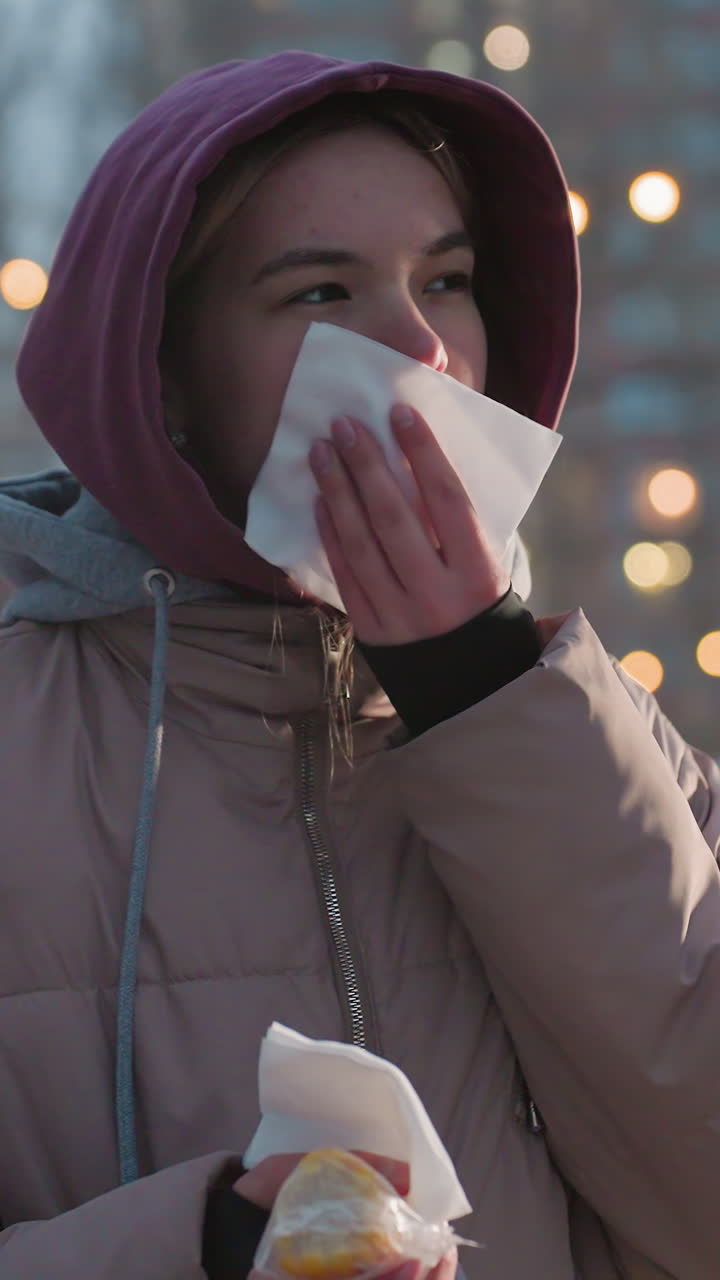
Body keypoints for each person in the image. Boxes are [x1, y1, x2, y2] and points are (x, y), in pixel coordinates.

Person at [0, 50, 718, 1280]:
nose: (421, 348)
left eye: (448, 280)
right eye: (322, 290)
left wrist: (485, 692)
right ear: (164, 373)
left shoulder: (603, 736)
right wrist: (198, 1249)